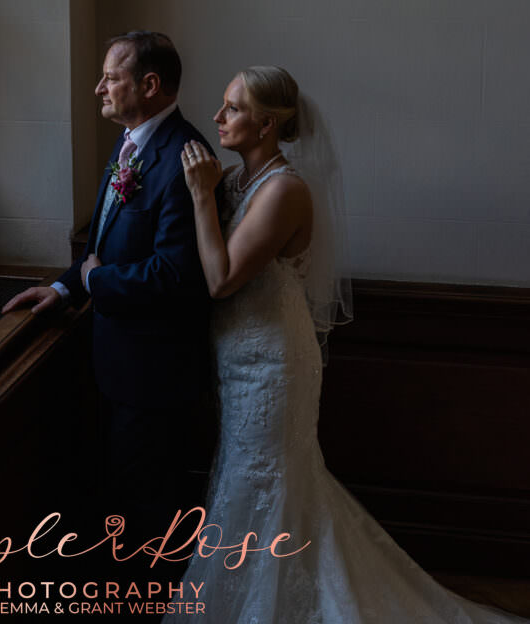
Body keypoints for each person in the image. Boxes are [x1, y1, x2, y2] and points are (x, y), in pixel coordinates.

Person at [176, 65, 526, 624]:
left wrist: (199, 198)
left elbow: (222, 280)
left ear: (267, 125)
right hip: (238, 360)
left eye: (233, 108)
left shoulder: (284, 190)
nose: (218, 117)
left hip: (274, 367)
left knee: (269, 481)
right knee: (248, 480)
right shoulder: (240, 184)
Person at [2, 31, 213, 548]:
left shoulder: (183, 158)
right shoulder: (132, 144)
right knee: (122, 493)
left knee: (149, 508)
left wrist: (95, 280)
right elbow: (101, 238)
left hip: (154, 375)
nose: (98, 88)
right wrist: (65, 288)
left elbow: (175, 275)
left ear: (150, 84)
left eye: (111, 78)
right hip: (115, 365)